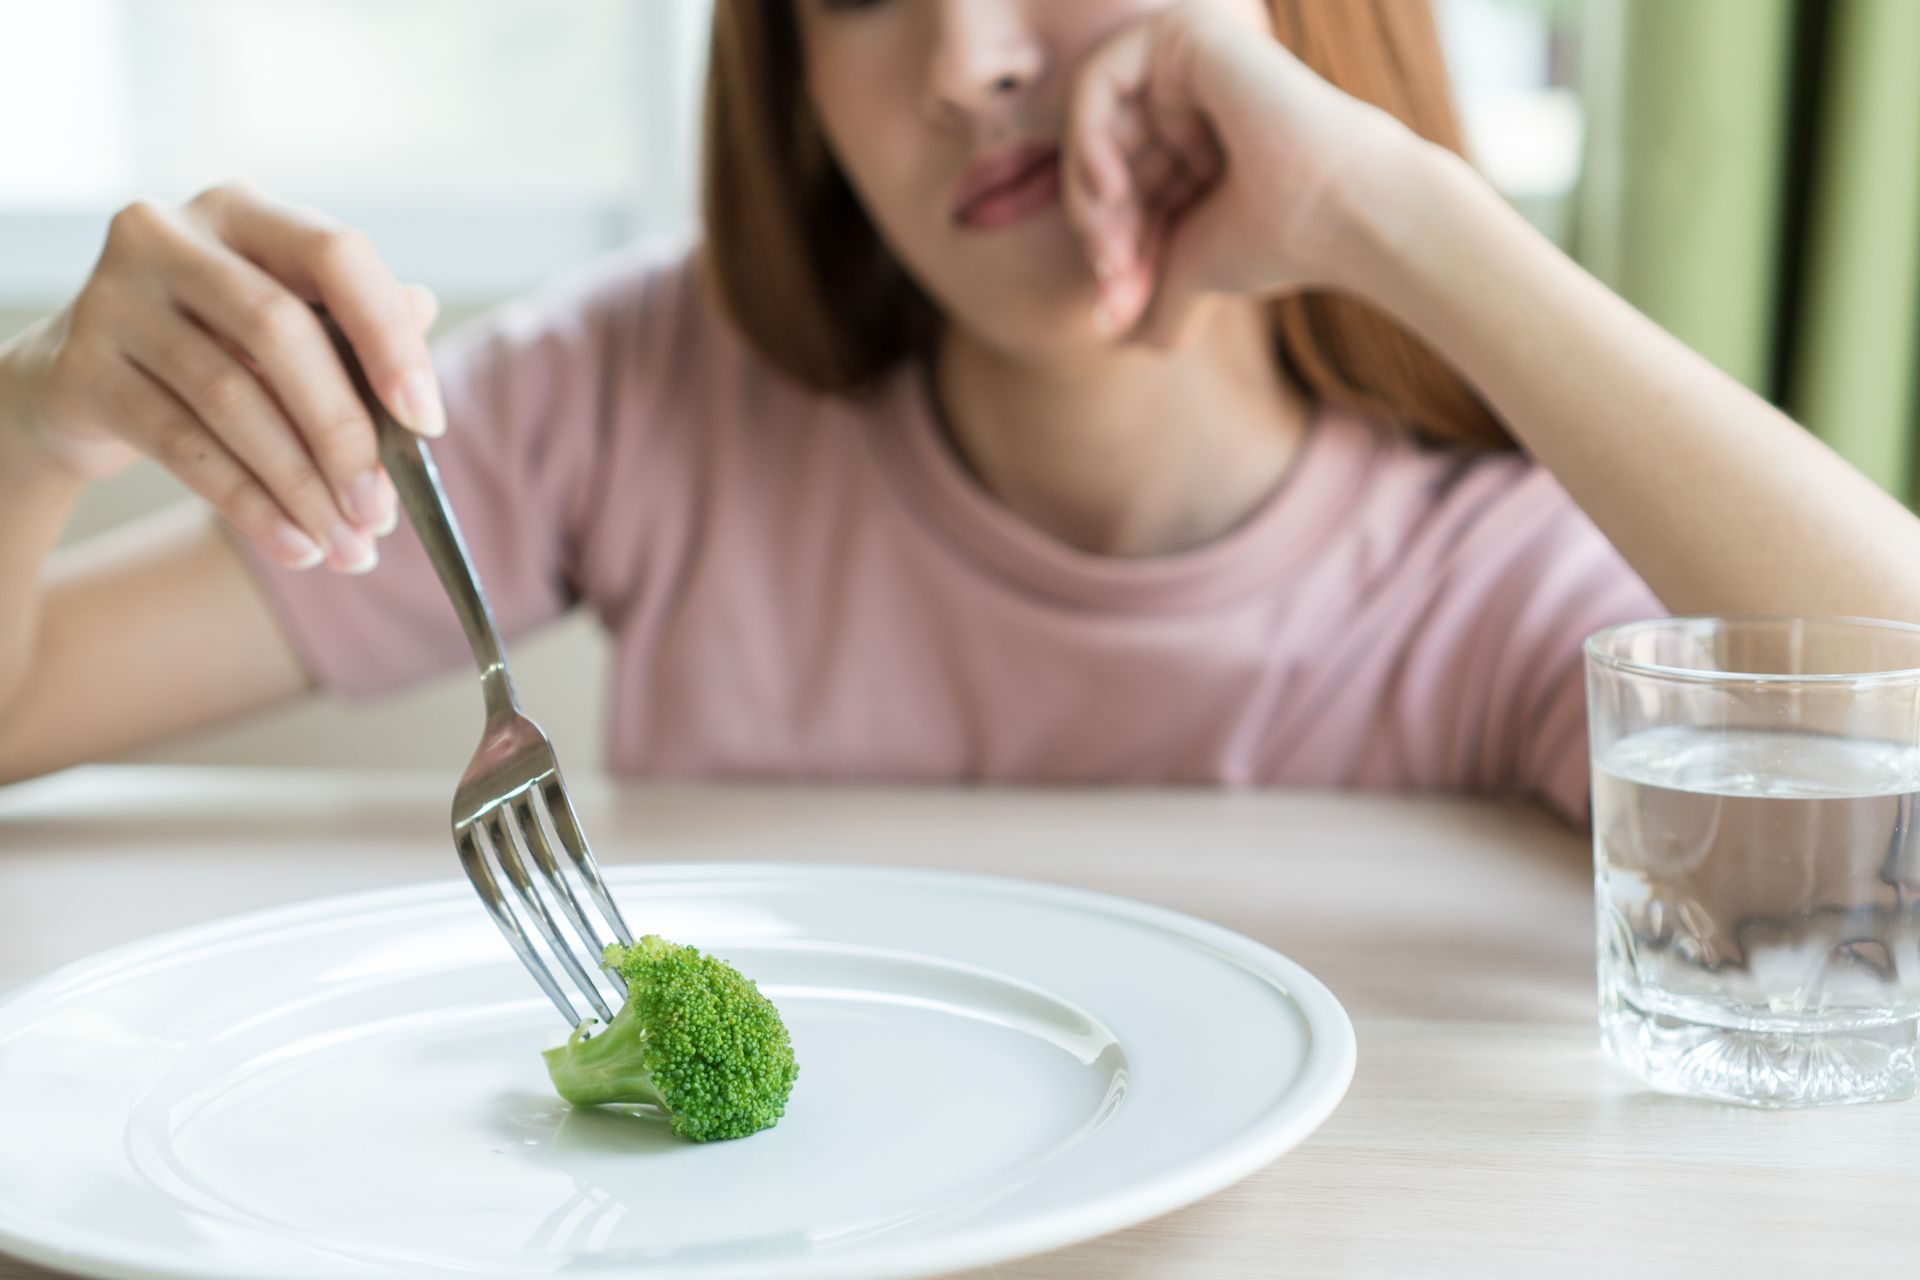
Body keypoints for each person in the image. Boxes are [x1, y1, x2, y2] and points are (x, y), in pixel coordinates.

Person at [2, 0, 1915, 826]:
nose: (962, 60)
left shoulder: (1497, 575)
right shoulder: (637, 397)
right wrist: (41, 420)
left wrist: (1394, 210)